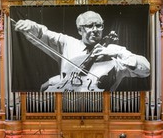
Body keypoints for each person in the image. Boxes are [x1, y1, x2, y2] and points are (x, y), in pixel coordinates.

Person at [15, 10, 150, 92]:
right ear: (80, 30)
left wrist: (120, 53)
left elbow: (146, 70)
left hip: (102, 111)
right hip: (67, 109)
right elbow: (43, 34)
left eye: (99, 25)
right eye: (89, 26)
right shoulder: (67, 43)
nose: (95, 29)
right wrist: (31, 25)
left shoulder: (114, 52)